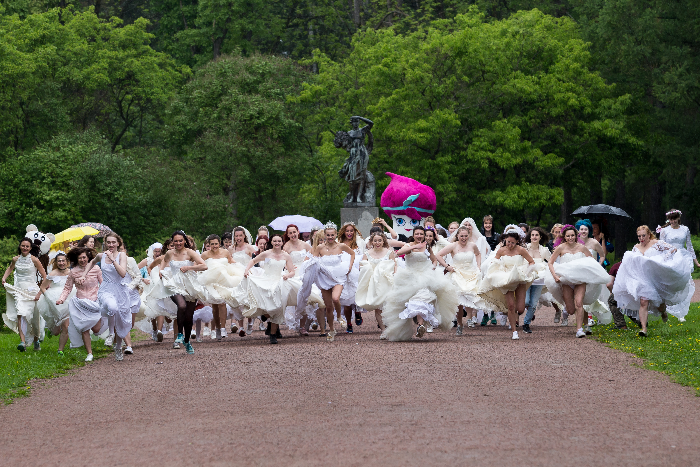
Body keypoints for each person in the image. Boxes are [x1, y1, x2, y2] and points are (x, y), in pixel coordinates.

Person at [613, 225, 694, 335]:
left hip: (655, 279)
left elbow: (673, 249)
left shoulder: (656, 243)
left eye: (643, 235)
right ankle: (644, 329)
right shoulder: (636, 247)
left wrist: (662, 259)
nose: (641, 238)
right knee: (643, 302)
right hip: (642, 279)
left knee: (659, 305)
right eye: (639, 236)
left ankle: (663, 311)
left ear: (648, 234)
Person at [381, 226, 457, 341]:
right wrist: (414, 247)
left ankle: (420, 325)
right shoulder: (409, 245)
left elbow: (434, 259)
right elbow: (398, 253)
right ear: (413, 235)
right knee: (401, 304)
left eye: (421, 234)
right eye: (417, 234)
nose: (419, 236)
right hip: (409, 277)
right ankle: (400, 331)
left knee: (422, 298)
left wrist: (433, 267)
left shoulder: (427, 246)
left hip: (425, 276)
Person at [545, 225, 610, 338]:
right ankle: (568, 311)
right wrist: (555, 276)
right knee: (571, 310)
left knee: (579, 303)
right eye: (568, 236)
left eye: (572, 235)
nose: (570, 238)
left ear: (576, 236)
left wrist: (591, 273)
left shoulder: (582, 248)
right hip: (566, 280)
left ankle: (579, 329)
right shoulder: (560, 248)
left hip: (580, 280)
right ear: (564, 237)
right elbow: (550, 262)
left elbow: (591, 261)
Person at [79, 232, 133, 361]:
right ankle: (111, 334)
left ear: (118, 243)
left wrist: (113, 259)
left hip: (120, 290)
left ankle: (118, 347)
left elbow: (122, 273)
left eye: (113, 242)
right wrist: (84, 274)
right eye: (108, 242)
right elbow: (91, 262)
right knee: (112, 307)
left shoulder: (122, 255)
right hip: (106, 289)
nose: (111, 244)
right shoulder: (101, 256)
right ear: (105, 243)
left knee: (120, 321)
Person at [479, 228, 536, 340]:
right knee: (511, 306)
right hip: (506, 278)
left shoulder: (521, 250)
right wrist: (497, 269)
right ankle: (514, 331)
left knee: (520, 308)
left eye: (512, 242)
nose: (510, 244)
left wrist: (526, 272)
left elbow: (531, 261)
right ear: (505, 240)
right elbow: (494, 262)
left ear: (517, 242)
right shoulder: (501, 251)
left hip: (519, 278)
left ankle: (514, 313)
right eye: (508, 242)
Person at [241, 234, 295, 344]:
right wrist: (246, 270)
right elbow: (253, 261)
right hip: (266, 281)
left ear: (282, 242)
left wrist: (287, 275)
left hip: (279, 281)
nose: (277, 243)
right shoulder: (267, 253)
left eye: (279, 241)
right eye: (275, 241)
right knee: (269, 307)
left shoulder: (286, 255)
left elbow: (292, 271)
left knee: (278, 307)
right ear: (271, 242)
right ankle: (265, 315)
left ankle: (273, 335)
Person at [159, 231, 208, 354]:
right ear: (172, 242)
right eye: (175, 241)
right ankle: (179, 334)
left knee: (189, 316)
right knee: (181, 305)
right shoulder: (170, 253)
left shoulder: (190, 252)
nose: (178, 243)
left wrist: (189, 267)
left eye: (180, 240)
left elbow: (204, 266)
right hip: (174, 284)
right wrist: (161, 270)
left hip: (189, 285)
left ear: (185, 240)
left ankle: (187, 341)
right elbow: (164, 261)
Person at [306, 222, 355, 342]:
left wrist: (349, 266)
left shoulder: (341, 246)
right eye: (328, 235)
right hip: (324, 278)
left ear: (336, 234)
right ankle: (332, 330)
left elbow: (352, 253)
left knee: (335, 299)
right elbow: (314, 260)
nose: (330, 237)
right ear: (325, 235)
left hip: (338, 277)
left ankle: (339, 316)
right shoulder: (320, 248)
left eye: (332, 235)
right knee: (328, 307)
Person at [57, 247, 106, 362]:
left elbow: (103, 283)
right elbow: (67, 288)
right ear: (76, 259)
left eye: (84, 257)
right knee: (84, 328)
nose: (82, 260)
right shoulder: (73, 272)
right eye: (80, 258)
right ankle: (89, 353)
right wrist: (61, 299)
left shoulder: (96, 268)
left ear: (88, 258)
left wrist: (106, 296)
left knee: (96, 329)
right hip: (81, 303)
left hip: (95, 301)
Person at [2, 237, 47, 351]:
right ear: (20, 246)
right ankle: (23, 342)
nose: (25, 248)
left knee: (34, 318)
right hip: (19, 290)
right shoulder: (15, 259)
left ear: (30, 248)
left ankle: (36, 340)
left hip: (32, 292)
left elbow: (45, 276)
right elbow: (10, 268)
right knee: (20, 313)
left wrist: (40, 291)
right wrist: (4, 278)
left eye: (27, 246)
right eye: (23, 245)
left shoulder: (34, 260)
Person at [436, 226, 483, 335]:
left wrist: (478, 266)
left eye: (466, 236)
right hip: (457, 274)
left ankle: (470, 318)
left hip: (471, 274)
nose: (464, 238)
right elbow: (438, 255)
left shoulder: (472, 245)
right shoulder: (453, 245)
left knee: (471, 295)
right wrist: (447, 266)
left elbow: (478, 254)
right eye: (461, 236)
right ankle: (460, 323)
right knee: (459, 302)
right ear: (457, 236)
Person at [199, 234, 243, 340]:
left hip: (223, 281)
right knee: (215, 307)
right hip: (211, 282)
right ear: (209, 244)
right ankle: (217, 328)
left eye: (216, 244)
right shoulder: (205, 255)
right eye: (212, 244)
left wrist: (242, 267)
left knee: (222, 303)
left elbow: (231, 262)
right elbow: (199, 265)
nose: (214, 246)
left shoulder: (225, 252)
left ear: (219, 243)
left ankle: (223, 328)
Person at [283, 224, 323, 336]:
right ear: (288, 235)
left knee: (306, 297)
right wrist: (288, 267)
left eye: (294, 232)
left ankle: (302, 326)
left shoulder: (305, 244)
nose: (293, 234)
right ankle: (295, 322)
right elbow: (283, 260)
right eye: (290, 233)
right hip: (293, 273)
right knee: (295, 298)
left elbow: (314, 255)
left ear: (298, 232)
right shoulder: (286, 246)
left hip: (305, 272)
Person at [355, 232, 396, 335]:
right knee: (378, 307)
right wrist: (367, 268)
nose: (377, 243)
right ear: (372, 242)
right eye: (375, 241)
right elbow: (361, 266)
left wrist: (394, 274)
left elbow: (394, 264)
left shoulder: (389, 252)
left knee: (388, 305)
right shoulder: (367, 253)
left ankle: (390, 327)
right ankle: (384, 330)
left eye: (379, 240)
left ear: (383, 241)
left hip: (386, 282)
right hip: (374, 283)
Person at [37, 252, 75, 354]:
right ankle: (51, 330)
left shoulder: (71, 272)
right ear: (56, 262)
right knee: (56, 332)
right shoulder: (52, 274)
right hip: (54, 301)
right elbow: (42, 287)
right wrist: (48, 297)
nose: (61, 263)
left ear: (67, 261)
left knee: (66, 326)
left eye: (63, 261)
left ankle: (60, 350)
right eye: (59, 261)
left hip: (68, 300)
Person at [521, 227, 551, 334]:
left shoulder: (544, 250)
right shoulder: (524, 248)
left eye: (536, 235)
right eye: (532, 235)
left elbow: (551, 262)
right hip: (526, 278)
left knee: (533, 304)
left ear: (540, 237)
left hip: (539, 279)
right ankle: (523, 312)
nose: (534, 237)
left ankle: (526, 324)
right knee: (526, 301)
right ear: (530, 237)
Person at [338, 222, 364, 332]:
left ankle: (358, 312)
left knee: (357, 296)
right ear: (343, 232)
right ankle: (349, 323)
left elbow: (364, 257)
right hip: (343, 274)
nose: (349, 233)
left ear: (354, 231)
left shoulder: (359, 243)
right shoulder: (339, 243)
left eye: (351, 231)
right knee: (346, 301)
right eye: (347, 231)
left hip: (356, 272)